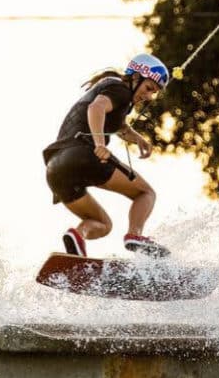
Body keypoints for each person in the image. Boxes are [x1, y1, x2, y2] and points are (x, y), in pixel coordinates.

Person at [42, 52, 171, 258]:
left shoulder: (113, 90)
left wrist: (137, 138)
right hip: (82, 154)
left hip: (55, 169)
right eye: (148, 88)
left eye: (153, 93)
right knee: (145, 193)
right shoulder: (120, 88)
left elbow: (117, 124)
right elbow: (97, 108)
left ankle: (78, 235)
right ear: (135, 77)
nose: (148, 96)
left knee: (103, 224)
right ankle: (135, 235)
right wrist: (100, 144)